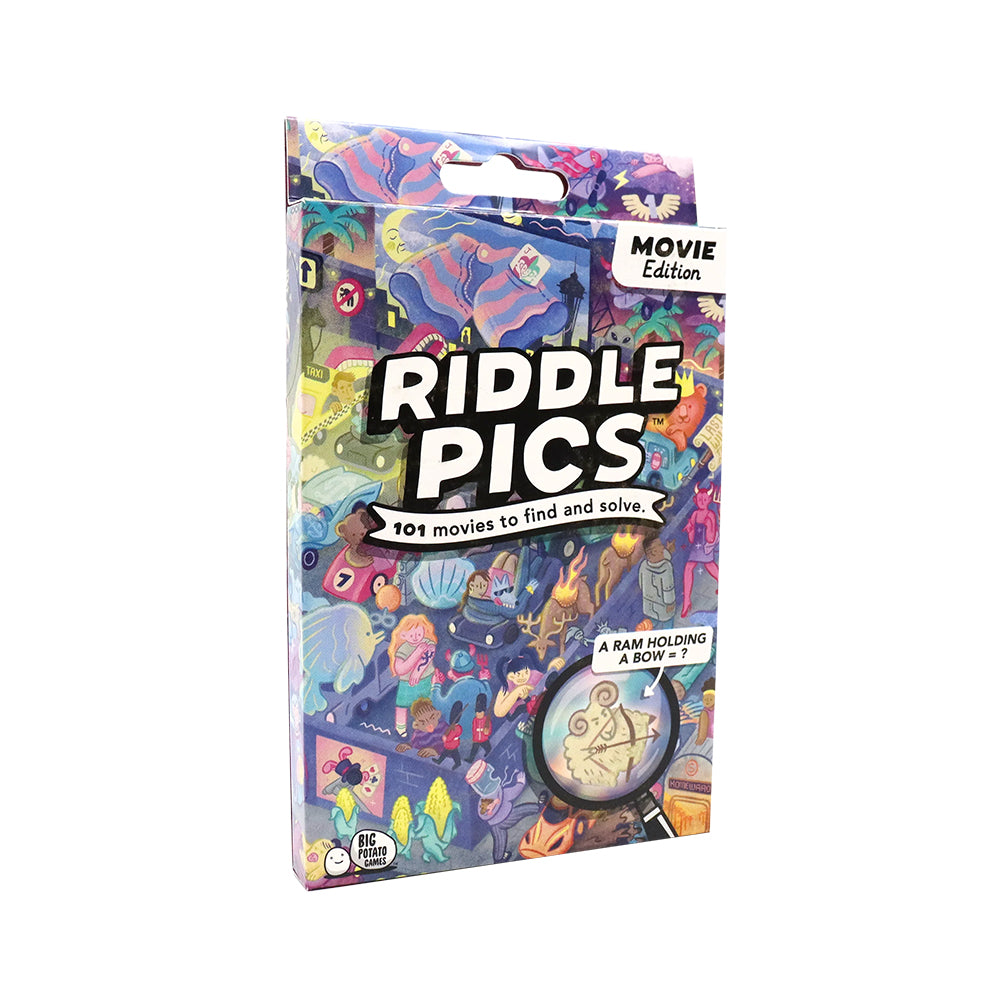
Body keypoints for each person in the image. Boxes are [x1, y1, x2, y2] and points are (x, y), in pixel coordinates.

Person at [388, 614, 438, 738]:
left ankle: (425, 727)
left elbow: (430, 652)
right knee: (402, 706)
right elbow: (400, 669)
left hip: (425, 680)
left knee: (425, 707)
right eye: (411, 635)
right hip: (407, 684)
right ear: (403, 635)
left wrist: (417, 672)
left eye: (419, 634)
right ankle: (400, 729)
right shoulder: (403, 649)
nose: (416, 637)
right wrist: (417, 652)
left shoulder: (427, 642)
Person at [638, 534, 677, 628]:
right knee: (668, 625)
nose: (663, 547)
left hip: (649, 605)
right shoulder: (666, 567)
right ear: (654, 551)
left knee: (652, 625)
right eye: (660, 545)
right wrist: (670, 603)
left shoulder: (644, 565)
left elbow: (641, 584)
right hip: (664, 607)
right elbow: (668, 588)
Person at [467, 693, 493, 761]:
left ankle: (488, 751)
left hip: (484, 738)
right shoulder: (475, 720)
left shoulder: (486, 720)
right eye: (477, 713)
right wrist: (474, 737)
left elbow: (489, 729)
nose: (479, 715)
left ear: (483, 712)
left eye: (480, 713)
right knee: (474, 749)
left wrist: (487, 732)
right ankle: (470, 759)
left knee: (487, 747)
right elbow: (474, 729)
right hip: (476, 739)